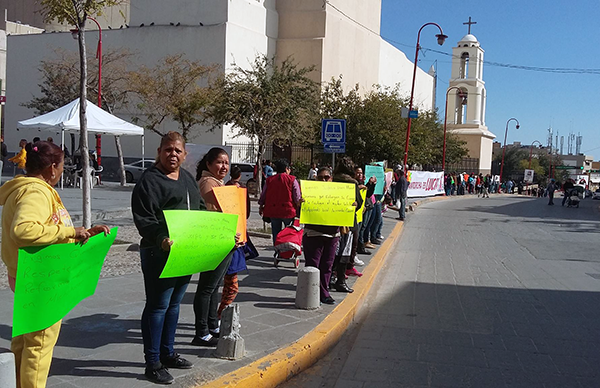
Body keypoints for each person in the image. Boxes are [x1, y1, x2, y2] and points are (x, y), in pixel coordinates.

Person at [0, 140, 109, 388]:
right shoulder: (35, 192)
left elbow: (46, 226)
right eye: (61, 167)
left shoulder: (27, 189)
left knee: (24, 340)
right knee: (38, 345)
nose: (61, 172)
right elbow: (24, 230)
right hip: (40, 278)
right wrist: (66, 233)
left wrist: (78, 234)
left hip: (31, 275)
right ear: (51, 168)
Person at [131, 131, 201, 384]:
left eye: (177, 150)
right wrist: (161, 238)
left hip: (185, 253)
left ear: (185, 154)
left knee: (173, 306)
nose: (173, 154)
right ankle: (153, 363)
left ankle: (168, 353)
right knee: (158, 306)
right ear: (159, 152)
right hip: (158, 252)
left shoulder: (188, 178)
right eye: (168, 149)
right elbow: (145, 218)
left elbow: (200, 211)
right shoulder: (150, 181)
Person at [194, 147, 242, 347]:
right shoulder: (208, 183)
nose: (224, 167)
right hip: (213, 241)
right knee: (207, 288)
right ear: (209, 164)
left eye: (226, 163)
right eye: (220, 162)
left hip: (225, 240)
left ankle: (212, 325)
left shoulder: (218, 183)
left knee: (214, 287)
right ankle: (201, 331)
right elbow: (219, 209)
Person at [302, 167, 340, 304]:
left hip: (332, 234)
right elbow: (298, 211)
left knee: (327, 265)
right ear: (316, 178)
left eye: (327, 177)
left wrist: (352, 205)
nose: (324, 179)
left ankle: (323, 292)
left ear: (331, 179)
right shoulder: (309, 193)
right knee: (313, 265)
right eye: (321, 177)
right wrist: (300, 203)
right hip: (313, 234)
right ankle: (311, 293)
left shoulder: (339, 193)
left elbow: (357, 205)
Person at [219, 166, 249, 318]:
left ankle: (218, 317)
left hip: (235, 240)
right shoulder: (223, 190)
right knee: (231, 287)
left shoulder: (228, 187)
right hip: (229, 242)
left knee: (227, 287)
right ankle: (219, 316)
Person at [258, 159, 301, 244]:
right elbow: (297, 197)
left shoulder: (269, 180)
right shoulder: (292, 180)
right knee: (288, 233)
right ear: (286, 169)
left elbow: (264, 194)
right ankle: (286, 252)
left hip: (273, 211)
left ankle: (277, 251)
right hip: (288, 211)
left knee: (276, 233)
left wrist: (261, 205)